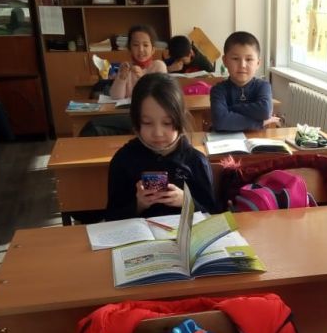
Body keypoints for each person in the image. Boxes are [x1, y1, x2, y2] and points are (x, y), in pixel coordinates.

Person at [106, 73, 218, 220]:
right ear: (136, 122)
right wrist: (139, 205)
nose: (158, 133)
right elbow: (111, 217)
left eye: (167, 123)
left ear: (179, 119)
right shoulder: (123, 160)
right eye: (147, 123)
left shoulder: (196, 161)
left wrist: (186, 201)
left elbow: (212, 216)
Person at [210, 31, 281, 131]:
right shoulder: (218, 90)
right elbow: (220, 121)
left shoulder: (263, 86)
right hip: (224, 139)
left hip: (256, 138)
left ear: (258, 63)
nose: (242, 65)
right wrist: (259, 123)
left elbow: (265, 111)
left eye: (249, 59)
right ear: (225, 61)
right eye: (235, 58)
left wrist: (230, 109)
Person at [109, 24, 167, 100]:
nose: (141, 49)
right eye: (136, 45)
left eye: (145, 45)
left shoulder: (159, 66)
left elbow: (161, 96)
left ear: (153, 50)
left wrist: (142, 78)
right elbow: (115, 97)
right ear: (130, 49)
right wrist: (121, 78)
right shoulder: (126, 67)